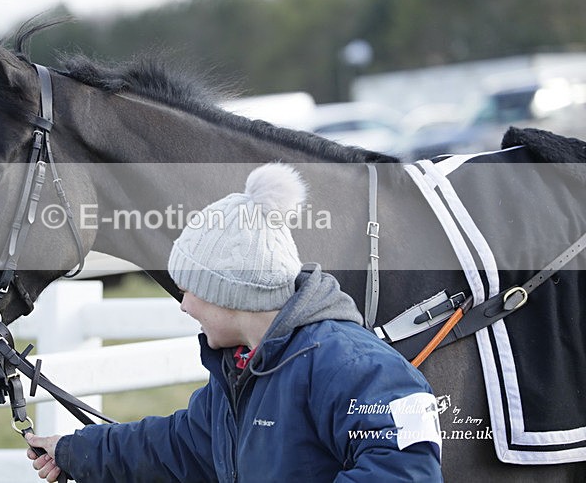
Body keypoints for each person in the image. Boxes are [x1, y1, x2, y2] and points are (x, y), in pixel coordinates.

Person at [27, 163, 442, 482]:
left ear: (232, 294)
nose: (184, 305)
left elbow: (406, 472)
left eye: (193, 289)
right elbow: (173, 446)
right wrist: (70, 451)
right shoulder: (240, 371)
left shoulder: (356, 367)